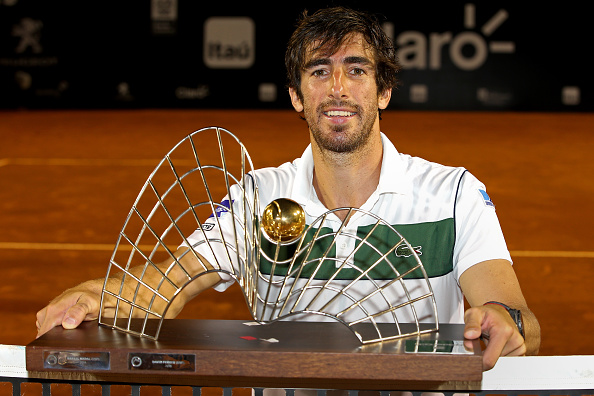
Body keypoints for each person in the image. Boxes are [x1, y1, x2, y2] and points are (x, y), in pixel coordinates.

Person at [35, 6, 540, 371]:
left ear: (384, 91)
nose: (338, 88)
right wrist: (89, 298)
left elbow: (514, 314)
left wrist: (503, 320)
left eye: (356, 70)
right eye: (319, 72)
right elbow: (163, 290)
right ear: (297, 96)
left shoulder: (453, 193)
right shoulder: (257, 195)